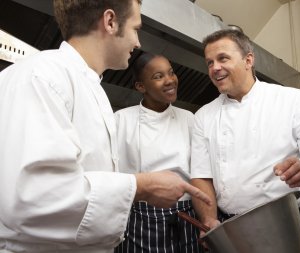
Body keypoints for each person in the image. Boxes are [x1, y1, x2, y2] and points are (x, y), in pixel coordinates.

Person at [0, 1, 210, 253]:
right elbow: (35, 199)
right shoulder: (43, 75)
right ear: (110, 22)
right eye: (135, 29)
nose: (138, 43)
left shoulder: (89, 86)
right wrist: (142, 186)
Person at [190, 29, 300, 248]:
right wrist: (209, 219)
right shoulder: (203, 116)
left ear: (248, 60)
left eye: (223, 58)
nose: (215, 68)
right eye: (209, 62)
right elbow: (202, 176)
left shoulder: (292, 100)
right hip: (229, 225)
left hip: (285, 222)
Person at [114, 53, 204, 253]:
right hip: (141, 217)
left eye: (171, 73)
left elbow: (200, 171)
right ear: (140, 86)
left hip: (186, 215)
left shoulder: (188, 118)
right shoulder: (121, 120)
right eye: (158, 76)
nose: (170, 80)